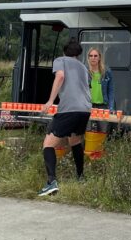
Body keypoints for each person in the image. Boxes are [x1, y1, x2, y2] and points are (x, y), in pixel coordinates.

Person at [38, 39, 92, 196]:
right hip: (85, 110)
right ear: (79, 54)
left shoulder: (60, 60)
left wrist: (50, 101)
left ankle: (51, 182)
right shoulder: (83, 67)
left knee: (48, 144)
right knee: (75, 141)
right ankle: (80, 177)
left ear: (64, 51)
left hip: (69, 109)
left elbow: (60, 76)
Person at [86, 47, 115, 134]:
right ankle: (85, 148)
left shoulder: (106, 71)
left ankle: (100, 148)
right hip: (88, 105)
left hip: (103, 105)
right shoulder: (85, 71)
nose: (93, 58)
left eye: (95, 56)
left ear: (99, 57)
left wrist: (111, 107)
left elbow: (111, 91)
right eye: (91, 56)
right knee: (87, 130)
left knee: (103, 130)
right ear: (88, 58)